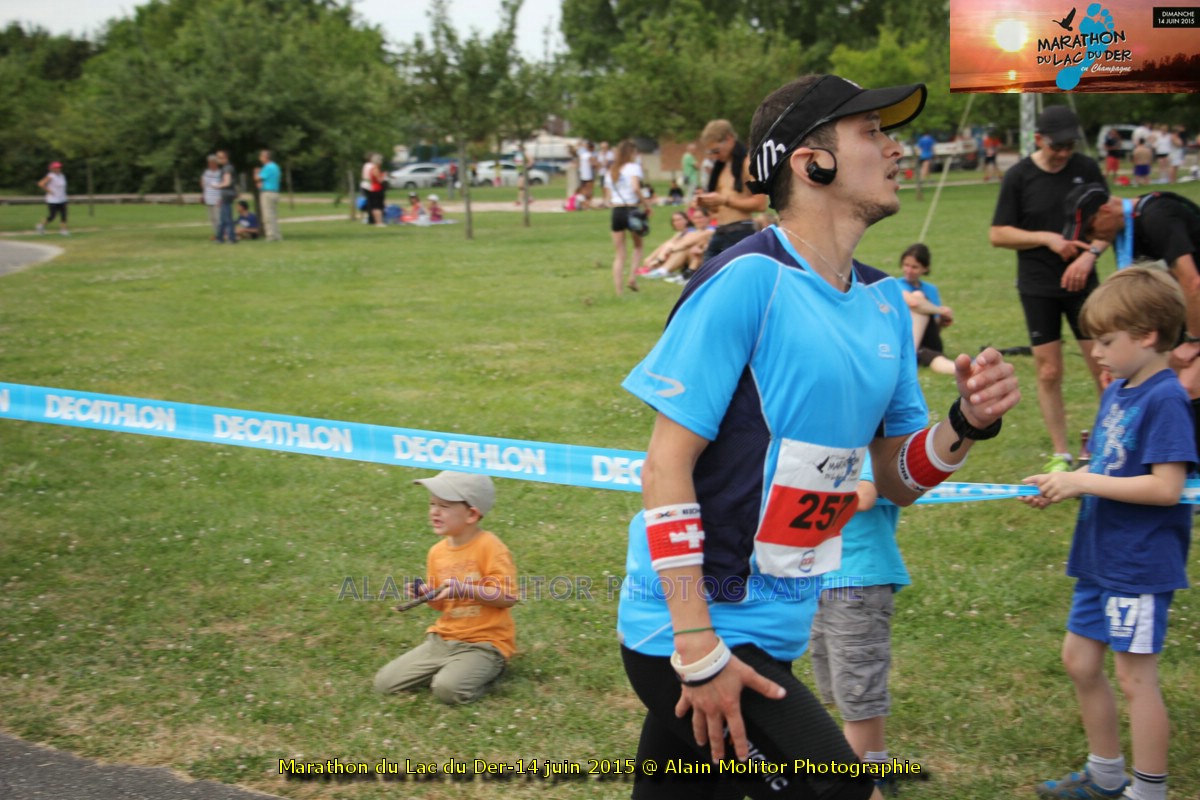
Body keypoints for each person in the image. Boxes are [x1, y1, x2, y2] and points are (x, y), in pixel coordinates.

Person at [617, 73, 1020, 800]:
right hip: (695, 634)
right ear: (812, 162)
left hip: (774, 629)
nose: (896, 149)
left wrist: (965, 424)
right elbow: (663, 468)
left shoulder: (885, 301)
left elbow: (896, 476)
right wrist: (697, 648)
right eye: (872, 133)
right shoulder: (747, 280)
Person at [1021, 267, 1196, 800]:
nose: (1095, 352)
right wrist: (1062, 484)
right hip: (1100, 558)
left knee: (1136, 679)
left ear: (1146, 336)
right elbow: (1110, 468)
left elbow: (1166, 487)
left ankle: (1148, 791)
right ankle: (1105, 774)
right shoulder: (1119, 391)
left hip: (1137, 564)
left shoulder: (1165, 399)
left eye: (1105, 341)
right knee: (1079, 661)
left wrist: (1081, 480)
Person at [989, 104, 1106, 471]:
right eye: (1058, 146)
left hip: (1084, 283)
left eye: (1070, 146)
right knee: (1048, 371)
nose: (1064, 153)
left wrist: (1089, 257)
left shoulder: (1087, 169)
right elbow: (998, 234)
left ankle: (1106, 447)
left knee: (1104, 366)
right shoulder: (1019, 176)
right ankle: (1061, 453)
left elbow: (1108, 223)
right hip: (1038, 284)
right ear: (1038, 139)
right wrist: (1047, 239)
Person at [1062, 182, 1200, 448]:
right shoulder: (1127, 229)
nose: (1091, 238)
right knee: (1160, 383)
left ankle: (1183, 465)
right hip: (1184, 317)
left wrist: (1194, 341)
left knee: (1188, 386)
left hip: (1195, 318)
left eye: (1090, 229)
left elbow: (1192, 282)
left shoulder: (1157, 217)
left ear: (1105, 211)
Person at [808, 455, 914, 796]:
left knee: (857, 693)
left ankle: (850, 789)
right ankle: (876, 767)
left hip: (857, 585)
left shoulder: (863, 445)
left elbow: (865, 495)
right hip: (821, 579)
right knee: (851, 689)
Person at [373, 471, 517, 704]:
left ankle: (488, 671)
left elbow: (507, 597)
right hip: (443, 640)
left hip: (484, 644)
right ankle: (454, 668)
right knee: (385, 683)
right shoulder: (437, 553)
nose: (434, 512)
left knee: (447, 689)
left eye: (444, 506)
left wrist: (465, 589)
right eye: (432, 504)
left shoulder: (490, 547)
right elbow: (442, 605)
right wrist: (427, 594)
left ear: (471, 514)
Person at [694, 119, 769, 269]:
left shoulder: (747, 164)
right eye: (710, 152)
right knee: (706, 279)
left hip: (740, 232)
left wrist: (725, 200)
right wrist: (707, 203)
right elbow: (717, 209)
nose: (714, 156)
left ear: (729, 139)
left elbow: (761, 204)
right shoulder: (720, 168)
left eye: (716, 150)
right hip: (719, 232)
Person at [896, 243, 956, 375]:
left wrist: (942, 321)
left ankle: (909, 356)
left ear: (925, 268)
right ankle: (968, 369)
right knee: (933, 358)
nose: (909, 270)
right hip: (908, 337)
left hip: (926, 340)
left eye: (914, 267)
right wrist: (940, 310)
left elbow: (935, 327)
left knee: (920, 298)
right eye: (906, 265)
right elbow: (913, 303)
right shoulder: (896, 284)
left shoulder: (931, 289)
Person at [604, 139, 650, 296]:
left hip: (616, 211)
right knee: (638, 246)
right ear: (631, 153)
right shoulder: (633, 167)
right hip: (632, 210)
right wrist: (646, 204)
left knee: (619, 254)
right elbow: (636, 188)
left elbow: (608, 197)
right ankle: (632, 278)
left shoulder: (611, 170)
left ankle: (619, 291)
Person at [35, 161, 69, 236]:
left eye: (59, 167)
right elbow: (41, 183)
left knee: (64, 215)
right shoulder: (51, 176)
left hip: (62, 199)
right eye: (56, 168)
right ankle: (40, 225)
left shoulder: (62, 176)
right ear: (52, 169)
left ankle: (63, 230)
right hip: (53, 200)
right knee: (52, 216)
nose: (58, 169)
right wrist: (49, 191)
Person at [255, 149, 282, 242]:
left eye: (261, 156)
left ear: (265, 157)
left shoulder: (267, 167)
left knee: (267, 216)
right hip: (275, 192)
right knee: (273, 215)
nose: (260, 158)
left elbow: (257, 178)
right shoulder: (275, 166)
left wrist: (256, 172)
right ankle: (277, 235)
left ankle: (271, 236)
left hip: (267, 193)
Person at [214, 150, 238, 244]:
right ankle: (220, 238)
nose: (217, 159)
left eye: (219, 157)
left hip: (227, 194)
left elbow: (227, 182)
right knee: (223, 218)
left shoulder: (227, 168)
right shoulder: (226, 167)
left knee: (227, 217)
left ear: (224, 158)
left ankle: (231, 238)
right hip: (226, 194)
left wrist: (216, 186)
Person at [200, 154, 222, 240]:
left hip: (217, 198)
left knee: (218, 218)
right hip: (208, 198)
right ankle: (216, 234)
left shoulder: (220, 173)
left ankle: (220, 234)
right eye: (209, 163)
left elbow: (222, 185)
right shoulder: (206, 172)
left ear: (215, 163)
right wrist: (203, 195)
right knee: (212, 218)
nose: (210, 164)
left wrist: (221, 198)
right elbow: (203, 183)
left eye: (211, 163)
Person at [362, 153, 387, 226]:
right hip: (377, 189)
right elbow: (380, 180)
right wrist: (385, 176)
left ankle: (376, 221)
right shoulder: (375, 169)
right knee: (377, 207)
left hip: (374, 189)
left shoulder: (373, 169)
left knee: (374, 206)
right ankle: (379, 222)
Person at [575, 140, 597, 209]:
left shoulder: (582, 154)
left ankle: (584, 204)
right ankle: (588, 204)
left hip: (582, 175)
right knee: (589, 190)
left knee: (582, 190)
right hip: (588, 175)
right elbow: (594, 164)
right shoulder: (589, 155)